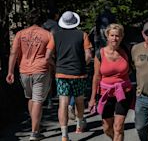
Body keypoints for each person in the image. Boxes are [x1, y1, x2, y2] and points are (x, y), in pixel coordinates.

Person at [6, 9, 52, 141]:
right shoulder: (47, 35)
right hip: (41, 69)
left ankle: (35, 125)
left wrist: (10, 71)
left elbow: (14, 53)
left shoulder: (20, 34)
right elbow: (49, 55)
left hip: (24, 70)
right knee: (37, 100)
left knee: (31, 98)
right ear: (42, 21)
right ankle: (34, 132)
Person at [47, 11, 92, 141]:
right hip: (79, 73)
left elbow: (47, 56)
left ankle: (64, 135)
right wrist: (83, 64)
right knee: (79, 100)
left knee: (63, 102)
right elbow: (88, 55)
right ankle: (79, 125)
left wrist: (56, 66)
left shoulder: (55, 36)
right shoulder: (82, 35)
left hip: (61, 73)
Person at [89, 24, 134, 141]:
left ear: (122, 37)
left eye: (117, 36)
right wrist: (93, 98)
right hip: (106, 93)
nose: (115, 38)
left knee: (118, 127)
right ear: (107, 36)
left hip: (123, 92)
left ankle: (118, 137)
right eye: (112, 35)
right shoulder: (100, 53)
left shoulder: (127, 51)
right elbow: (96, 76)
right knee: (107, 127)